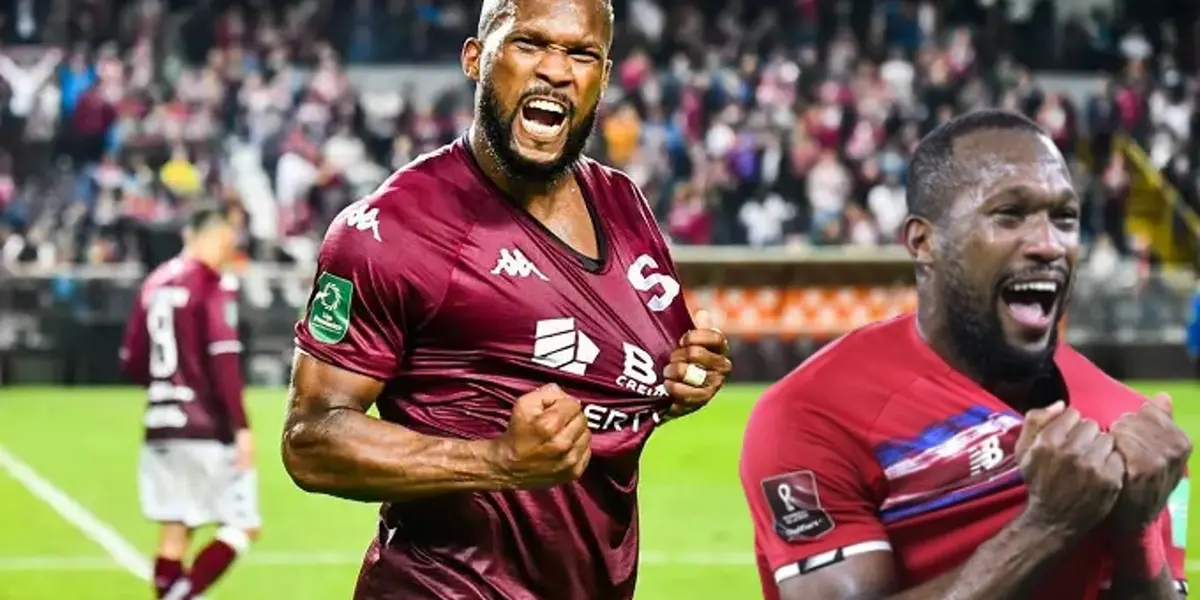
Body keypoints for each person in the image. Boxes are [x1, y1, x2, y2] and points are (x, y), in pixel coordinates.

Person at [280, 0, 733, 598]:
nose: (555, 69)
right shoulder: (391, 231)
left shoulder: (626, 204)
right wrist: (495, 462)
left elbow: (642, 374)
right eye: (530, 44)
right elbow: (311, 440)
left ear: (603, 73)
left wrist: (684, 381)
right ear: (476, 59)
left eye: (580, 53)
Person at [738, 110, 1191, 600]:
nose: (1048, 244)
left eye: (1064, 218)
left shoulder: (1130, 426)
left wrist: (1139, 533)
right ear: (923, 241)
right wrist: (1045, 527)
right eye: (1009, 214)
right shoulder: (813, 414)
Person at [120, 204, 260, 600]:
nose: (229, 251)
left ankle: (171, 592)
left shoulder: (153, 283)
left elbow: (132, 360)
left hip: (161, 423)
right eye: (227, 242)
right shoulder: (211, 285)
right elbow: (223, 362)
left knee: (174, 530)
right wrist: (242, 428)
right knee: (241, 525)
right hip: (204, 427)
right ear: (210, 237)